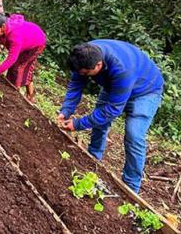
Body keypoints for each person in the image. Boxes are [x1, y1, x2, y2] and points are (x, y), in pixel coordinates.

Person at [57, 40, 164, 193]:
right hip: (114, 84)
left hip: (145, 91)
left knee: (134, 135)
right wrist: (65, 111)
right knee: (99, 122)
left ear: (98, 65)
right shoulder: (84, 55)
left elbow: (112, 110)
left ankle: (131, 187)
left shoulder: (121, 69)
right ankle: (92, 159)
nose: (83, 76)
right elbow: (76, 84)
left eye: (86, 73)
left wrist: (78, 124)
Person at [0, 13, 46, 103]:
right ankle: (24, 95)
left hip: (36, 43)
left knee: (18, 69)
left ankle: (19, 97)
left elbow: (11, 58)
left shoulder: (15, 34)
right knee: (15, 69)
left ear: (3, 26)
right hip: (24, 43)